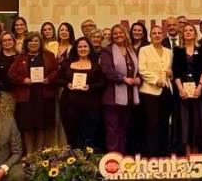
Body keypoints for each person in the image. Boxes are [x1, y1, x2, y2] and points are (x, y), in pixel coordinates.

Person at [7, 32, 59, 153]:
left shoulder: (49, 55)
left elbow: (57, 71)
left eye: (36, 41)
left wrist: (49, 79)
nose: (33, 43)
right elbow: (11, 74)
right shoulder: (20, 57)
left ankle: (39, 153)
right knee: (27, 126)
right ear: (26, 43)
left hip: (43, 96)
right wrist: (23, 80)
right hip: (26, 97)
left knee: (42, 124)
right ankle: (30, 152)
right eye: (30, 41)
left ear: (40, 43)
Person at [99, 24, 141, 152]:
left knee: (124, 129)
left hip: (129, 97)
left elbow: (138, 69)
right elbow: (107, 70)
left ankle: (121, 157)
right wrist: (123, 78)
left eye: (120, 32)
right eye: (115, 33)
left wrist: (139, 79)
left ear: (125, 34)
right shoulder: (107, 51)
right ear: (112, 36)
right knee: (112, 129)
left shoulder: (131, 50)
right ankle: (113, 159)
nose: (118, 35)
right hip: (112, 98)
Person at [60, 37, 107, 149]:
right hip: (69, 104)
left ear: (90, 48)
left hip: (91, 105)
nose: (82, 49)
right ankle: (73, 155)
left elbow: (102, 82)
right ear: (76, 49)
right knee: (72, 131)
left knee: (88, 132)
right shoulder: (67, 63)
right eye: (80, 47)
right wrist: (67, 84)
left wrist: (90, 87)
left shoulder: (96, 65)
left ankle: (86, 156)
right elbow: (58, 79)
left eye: (85, 46)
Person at [137, 25, 173, 155]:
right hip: (149, 92)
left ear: (163, 36)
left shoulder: (169, 51)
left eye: (159, 33)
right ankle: (151, 153)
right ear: (150, 36)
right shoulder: (144, 50)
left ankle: (163, 152)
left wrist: (171, 74)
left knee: (164, 123)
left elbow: (170, 70)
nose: (157, 35)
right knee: (152, 124)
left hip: (166, 91)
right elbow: (141, 69)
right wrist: (155, 79)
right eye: (154, 33)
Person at [172, 24, 202, 153]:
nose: (188, 32)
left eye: (191, 30)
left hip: (198, 91)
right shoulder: (177, 50)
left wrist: (200, 87)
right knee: (185, 122)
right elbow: (176, 72)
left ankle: (196, 154)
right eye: (186, 30)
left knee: (197, 122)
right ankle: (187, 153)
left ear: (195, 33)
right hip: (183, 92)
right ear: (182, 34)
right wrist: (180, 89)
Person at [0, 32, 19, 116]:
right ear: (1, 43)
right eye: (4, 41)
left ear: (14, 41)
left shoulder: (20, 57)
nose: (7, 42)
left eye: (9, 40)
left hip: (18, 93)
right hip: (2, 93)